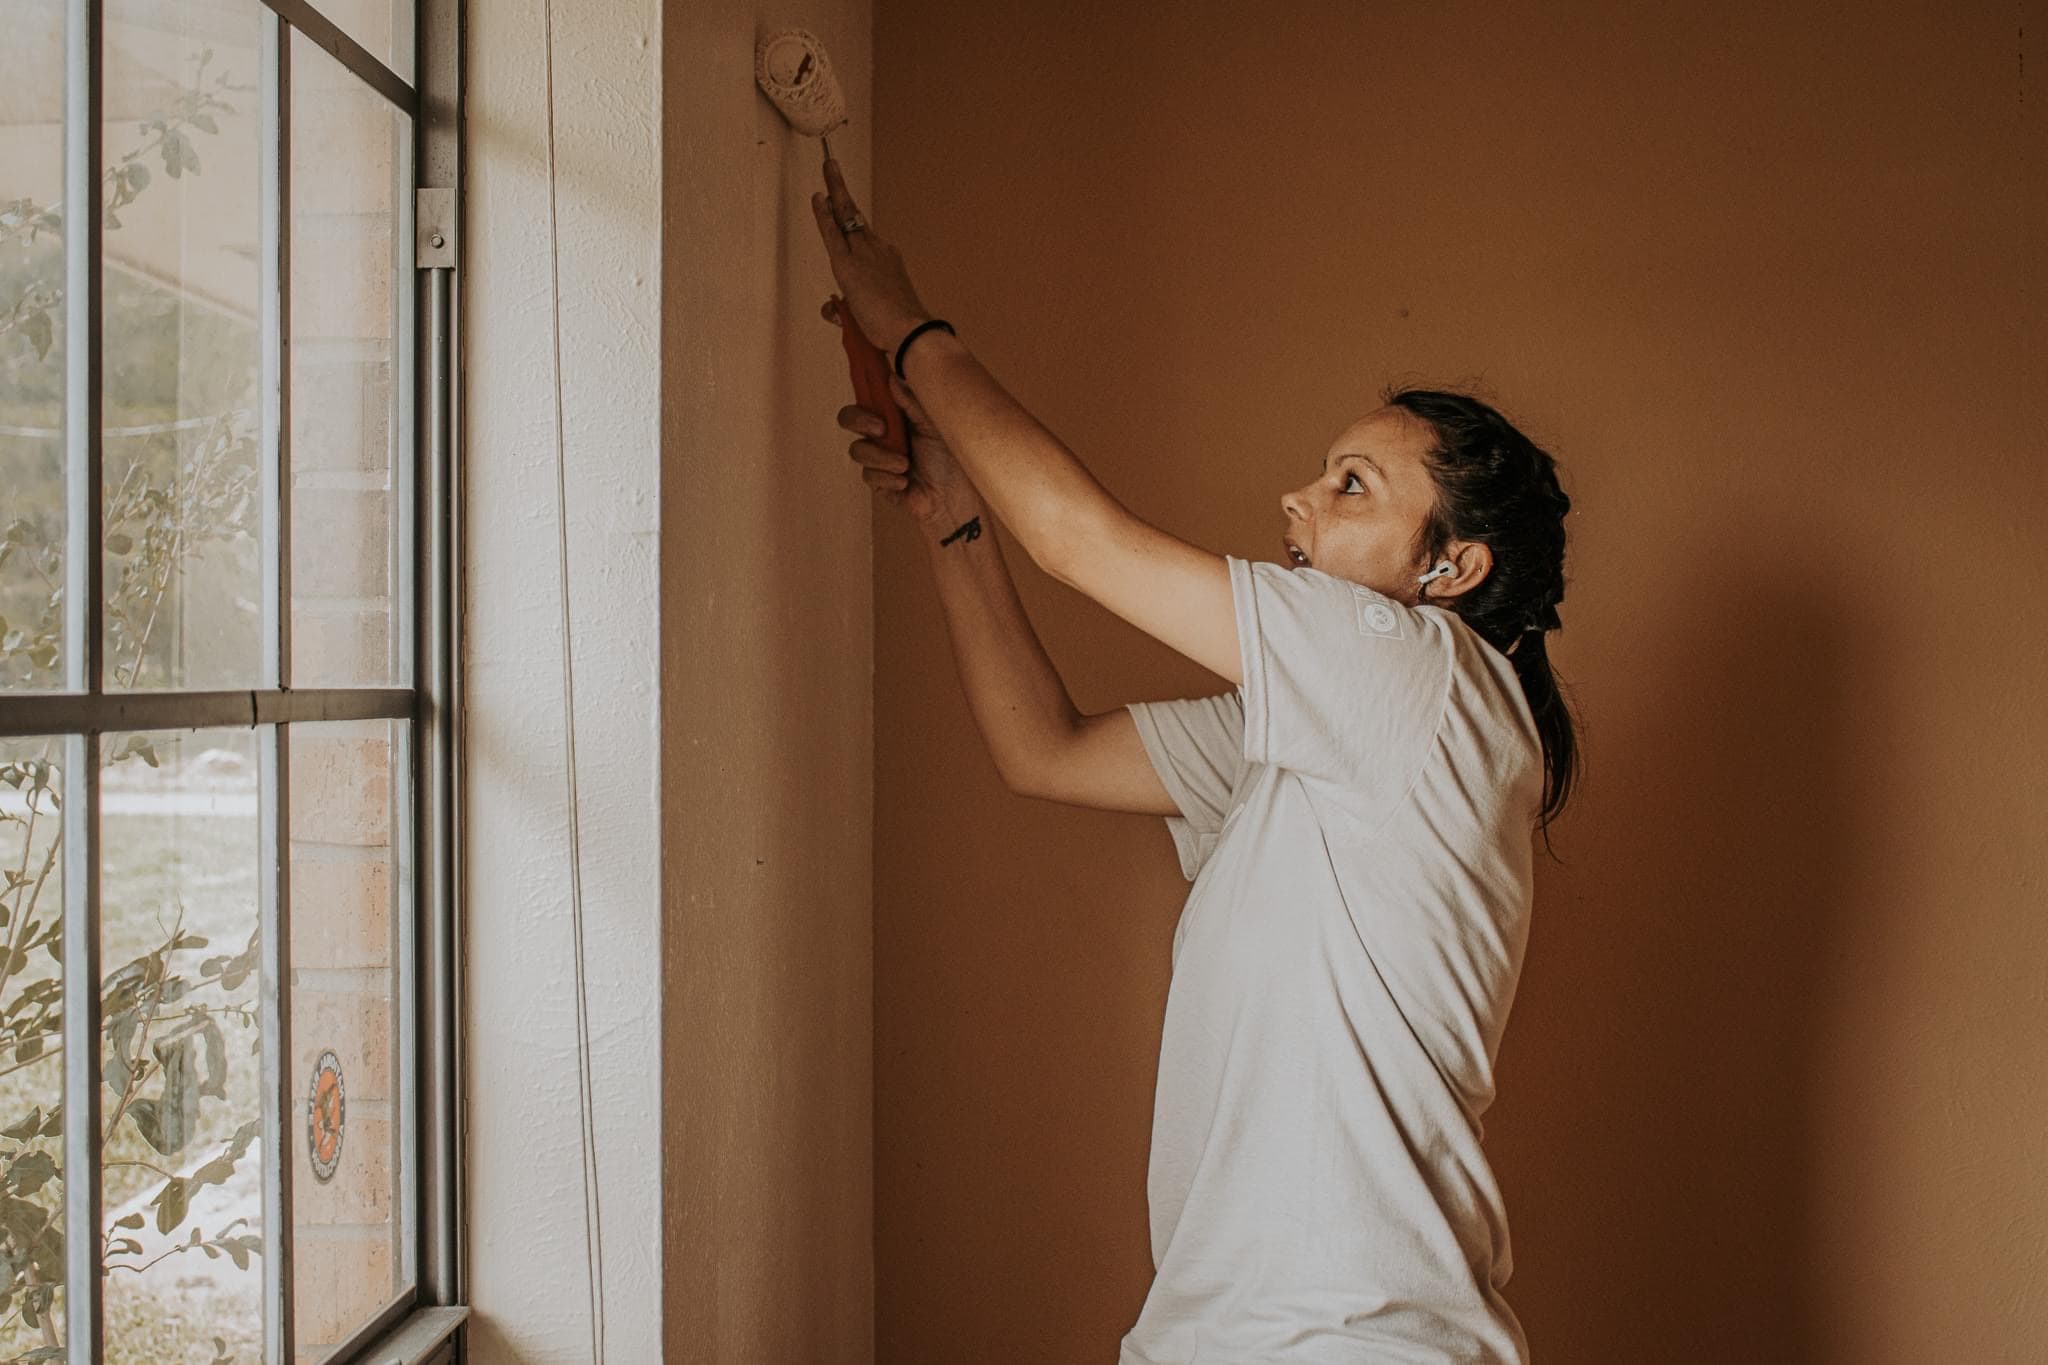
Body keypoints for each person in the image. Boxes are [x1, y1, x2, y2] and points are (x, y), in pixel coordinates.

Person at [813, 157, 1580, 1364]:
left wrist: (906, 329)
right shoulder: (1330, 740)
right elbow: (1046, 752)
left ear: (1450, 569)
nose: (1295, 500)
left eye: (1350, 486)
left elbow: (1081, 541)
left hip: (1349, 1342)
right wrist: (951, 514)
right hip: (1233, 1336)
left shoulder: (1416, 669)